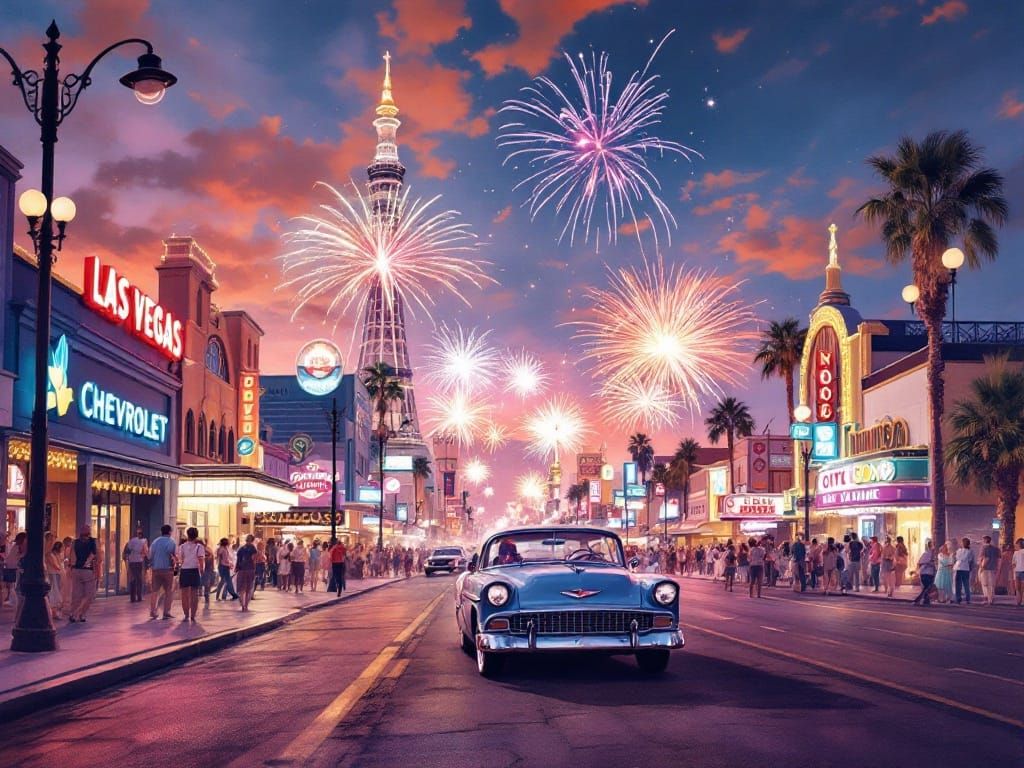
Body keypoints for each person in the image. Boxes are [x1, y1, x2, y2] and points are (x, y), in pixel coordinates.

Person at [69, 525, 99, 623]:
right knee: (89, 594)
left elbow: (72, 556)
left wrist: (72, 567)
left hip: (77, 570)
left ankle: (74, 614)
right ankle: (80, 614)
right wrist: (87, 563)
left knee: (76, 594)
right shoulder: (93, 541)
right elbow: (94, 554)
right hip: (87, 570)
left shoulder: (75, 542)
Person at [176, 527, 205, 622]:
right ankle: (193, 615)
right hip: (194, 570)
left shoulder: (182, 547)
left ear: (187, 535)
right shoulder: (199, 547)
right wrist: (201, 570)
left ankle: (186, 614)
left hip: (184, 570)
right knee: (194, 594)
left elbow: (180, 559)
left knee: (184, 594)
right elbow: (201, 560)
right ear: (196, 535)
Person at [149, 524, 176, 619]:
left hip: (156, 569)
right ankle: (166, 612)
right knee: (169, 591)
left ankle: (153, 611)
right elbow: (173, 555)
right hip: (167, 569)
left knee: (154, 591)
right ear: (169, 532)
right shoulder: (171, 542)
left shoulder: (155, 542)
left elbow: (150, 555)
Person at [123, 527, 149, 603]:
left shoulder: (131, 541)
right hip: (139, 561)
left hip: (132, 561)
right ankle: (139, 597)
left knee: (132, 579)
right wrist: (145, 556)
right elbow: (146, 551)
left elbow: (127, 550)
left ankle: (132, 597)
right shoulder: (144, 541)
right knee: (139, 579)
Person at [235, 534, 257, 611]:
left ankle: (242, 605)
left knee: (241, 588)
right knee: (248, 588)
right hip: (250, 569)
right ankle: (246, 606)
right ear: (252, 540)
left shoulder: (241, 548)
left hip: (241, 569)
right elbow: (254, 559)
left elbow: (238, 560)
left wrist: (236, 567)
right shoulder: (253, 548)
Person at [912, 540, 937, 606]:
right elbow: (920, 562)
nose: (934, 547)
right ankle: (918, 600)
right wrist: (929, 563)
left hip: (931, 573)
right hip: (925, 573)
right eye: (933, 545)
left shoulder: (933, 555)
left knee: (927, 588)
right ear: (930, 546)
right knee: (927, 587)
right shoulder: (926, 554)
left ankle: (926, 601)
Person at [977, 535, 1000, 605]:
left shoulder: (984, 548)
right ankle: (991, 599)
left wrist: (982, 567)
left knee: (985, 584)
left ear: (985, 540)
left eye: (983, 540)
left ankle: (986, 598)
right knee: (991, 584)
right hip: (993, 568)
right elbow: (998, 558)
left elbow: (985, 558)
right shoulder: (996, 549)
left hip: (985, 568)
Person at [46, 540, 65, 620]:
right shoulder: (50, 555)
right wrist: (60, 569)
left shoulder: (56, 555)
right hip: (53, 574)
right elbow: (55, 565)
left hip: (56, 574)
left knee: (57, 591)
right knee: (55, 592)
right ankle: (55, 612)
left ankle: (55, 612)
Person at [954, 537, 974, 604]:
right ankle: (967, 599)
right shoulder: (970, 551)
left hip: (959, 568)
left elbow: (957, 558)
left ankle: (958, 598)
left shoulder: (959, 550)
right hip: (965, 568)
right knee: (966, 584)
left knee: (958, 584)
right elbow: (970, 560)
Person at [1012, 539, 1024, 608]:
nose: (1016, 545)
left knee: (1020, 588)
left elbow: (1013, 563)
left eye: (1017, 544)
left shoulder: (1018, 552)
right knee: (1018, 588)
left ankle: (1019, 602)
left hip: (1021, 571)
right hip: (1017, 571)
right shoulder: (1015, 553)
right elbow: (1013, 563)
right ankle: (1018, 602)